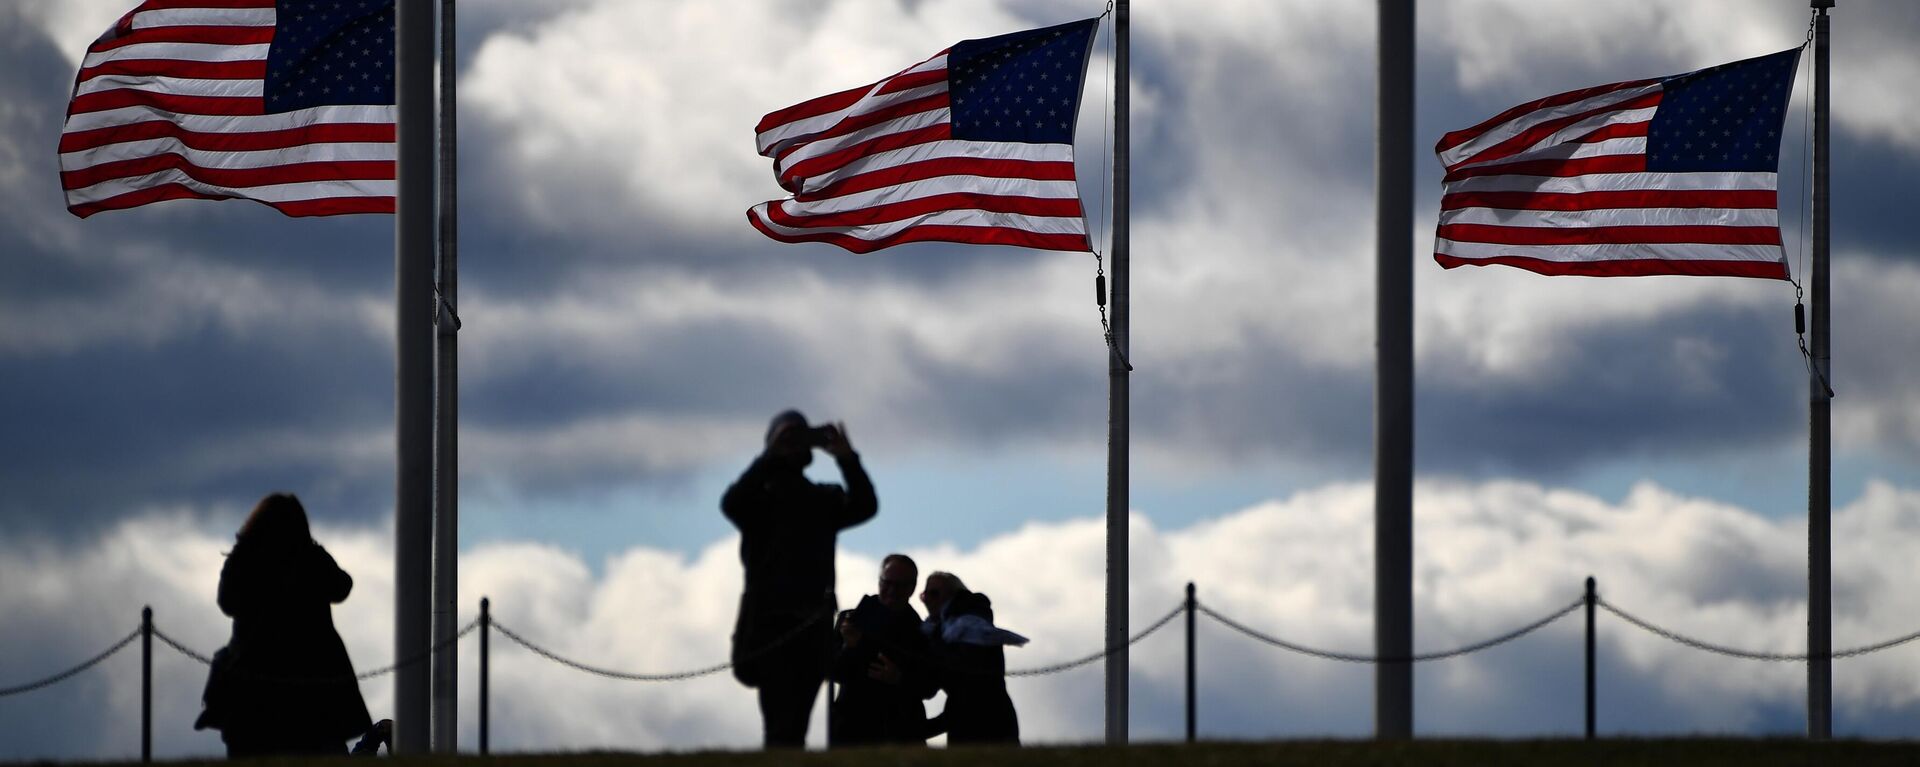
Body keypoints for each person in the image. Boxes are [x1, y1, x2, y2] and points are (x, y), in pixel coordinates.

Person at [722, 410, 878, 748]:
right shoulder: (758, 503)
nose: (794, 444)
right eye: (787, 438)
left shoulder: (822, 499)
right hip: (771, 624)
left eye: (799, 436)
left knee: (794, 723)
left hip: (812, 623)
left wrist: (847, 458)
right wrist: (769, 456)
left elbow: (865, 505)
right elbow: (731, 502)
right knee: (782, 723)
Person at [192, 493, 373, 757]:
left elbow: (227, 601)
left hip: (253, 679)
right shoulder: (309, 558)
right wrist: (314, 551)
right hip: (311, 678)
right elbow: (342, 586)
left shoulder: (245, 557)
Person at [829, 554, 938, 747]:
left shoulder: (922, 633)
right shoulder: (851, 620)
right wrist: (850, 647)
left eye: (900, 586)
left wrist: (899, 678)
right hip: (852, 729)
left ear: (912, 588)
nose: (891, 591)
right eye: (887, 583)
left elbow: (929, 687)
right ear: (879, 581)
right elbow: (833, 671)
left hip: (900, 732)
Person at [920, 571, 1026, 745]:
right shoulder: (939, 631)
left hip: (990, 721)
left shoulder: (969, 628)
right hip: (970, 722)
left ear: (953, 595)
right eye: (925, 595)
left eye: (934, 594)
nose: (928, 600)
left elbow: (968, 688)